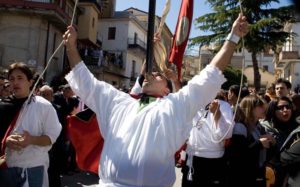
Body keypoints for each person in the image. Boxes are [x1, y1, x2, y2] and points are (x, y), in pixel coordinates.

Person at [63, 14, 249, 186]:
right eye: (150, 72)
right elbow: (85, 82)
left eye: (158, 75)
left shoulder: (175, 106)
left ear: (167, 89)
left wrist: (233, 38)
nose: (151, 74)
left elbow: (209, 76)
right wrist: (71, 47)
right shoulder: (118, 101)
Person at [0, 62, 61, 187]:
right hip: (6, 168)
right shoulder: (2, 106)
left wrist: (31, 140)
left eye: (20, 78)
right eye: (12, 79)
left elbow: (52, 137)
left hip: (34, 168)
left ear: (30, 82)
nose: (15, 82)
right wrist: (6, 141)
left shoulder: (44, 106)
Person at [181, 90, 233, 187]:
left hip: (212, 161)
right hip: (191, 157)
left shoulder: (224, 106)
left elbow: (226, 134)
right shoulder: (193, 103)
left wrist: (217, 114)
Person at [261, 96, 299, 187]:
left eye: (288, 107)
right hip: (273, 175)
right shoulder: (265, 128)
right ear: (273, 110)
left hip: (294, 175)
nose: (285, 110)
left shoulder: (297, 128)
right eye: (280, 108)